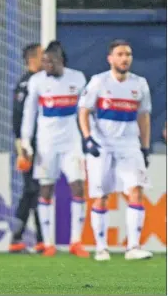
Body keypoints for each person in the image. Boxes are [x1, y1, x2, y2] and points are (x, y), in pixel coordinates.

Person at [78, 39, 154, 261]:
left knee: (136, 190)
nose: (125, 58)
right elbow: (84, 110)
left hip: (129, 145)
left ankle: (133, 247)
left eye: (128, 54)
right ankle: (101, 248)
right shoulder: (98, 82)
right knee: (101, 196)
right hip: (102, 145)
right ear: (110, 58)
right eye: (120, 54)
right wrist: (87, 138)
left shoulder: (140, 84)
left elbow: (144, 116)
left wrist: (145, 146)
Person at [20, 41, 89, 257]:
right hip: (46, 144)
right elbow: (29, 113)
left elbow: (85, 110)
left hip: (72, 143)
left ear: (61, 61)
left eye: (50, 61)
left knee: (78, 187)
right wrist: (25, 142)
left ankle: (76, 241)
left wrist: (89, 137)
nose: (46, 65)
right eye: (44, 61)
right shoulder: (37, 81)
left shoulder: (77, 78)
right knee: (45, 189)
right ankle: (48, 243)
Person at [9, 43, 44, 253]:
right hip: (29, 145)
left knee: (31, 191)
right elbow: (17, 117)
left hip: (39, 143)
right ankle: (40, 239)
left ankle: (18, 237)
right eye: (43, 56)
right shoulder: (27, 83)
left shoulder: (37, 81)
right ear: (33, 59)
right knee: (35, 189)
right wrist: (22, 144)